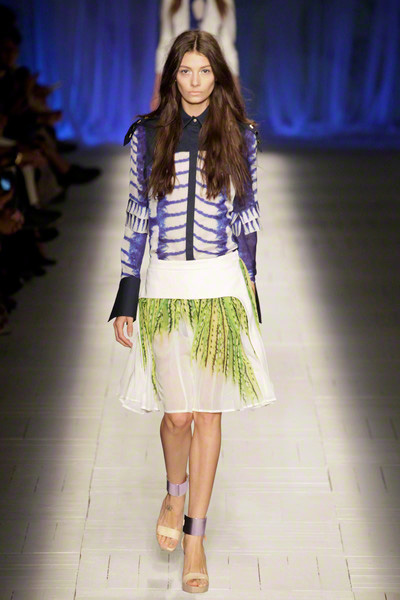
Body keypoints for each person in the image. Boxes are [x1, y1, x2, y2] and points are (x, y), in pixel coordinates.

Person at [109, 30, 276, 594]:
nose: (196, 81)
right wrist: (126, 294)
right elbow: (137, 214)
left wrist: (251, 291)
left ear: (218, 75)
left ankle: (196, 537)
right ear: (172, 75)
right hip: (165, 286)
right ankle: (173, 491)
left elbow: (247, 216)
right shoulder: (148, 134)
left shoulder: (240, 134)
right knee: (177, 416)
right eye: (186, 71)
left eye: (205, 71)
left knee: (209, 414)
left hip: (219, 285)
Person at [151, 0, 239, 110]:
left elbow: (227, 45)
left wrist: (234, 86)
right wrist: (157, 89)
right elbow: (165, 42)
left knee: (217, 111)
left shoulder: (225, 2)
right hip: (181, 69)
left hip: (211, 69)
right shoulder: (170, 2)